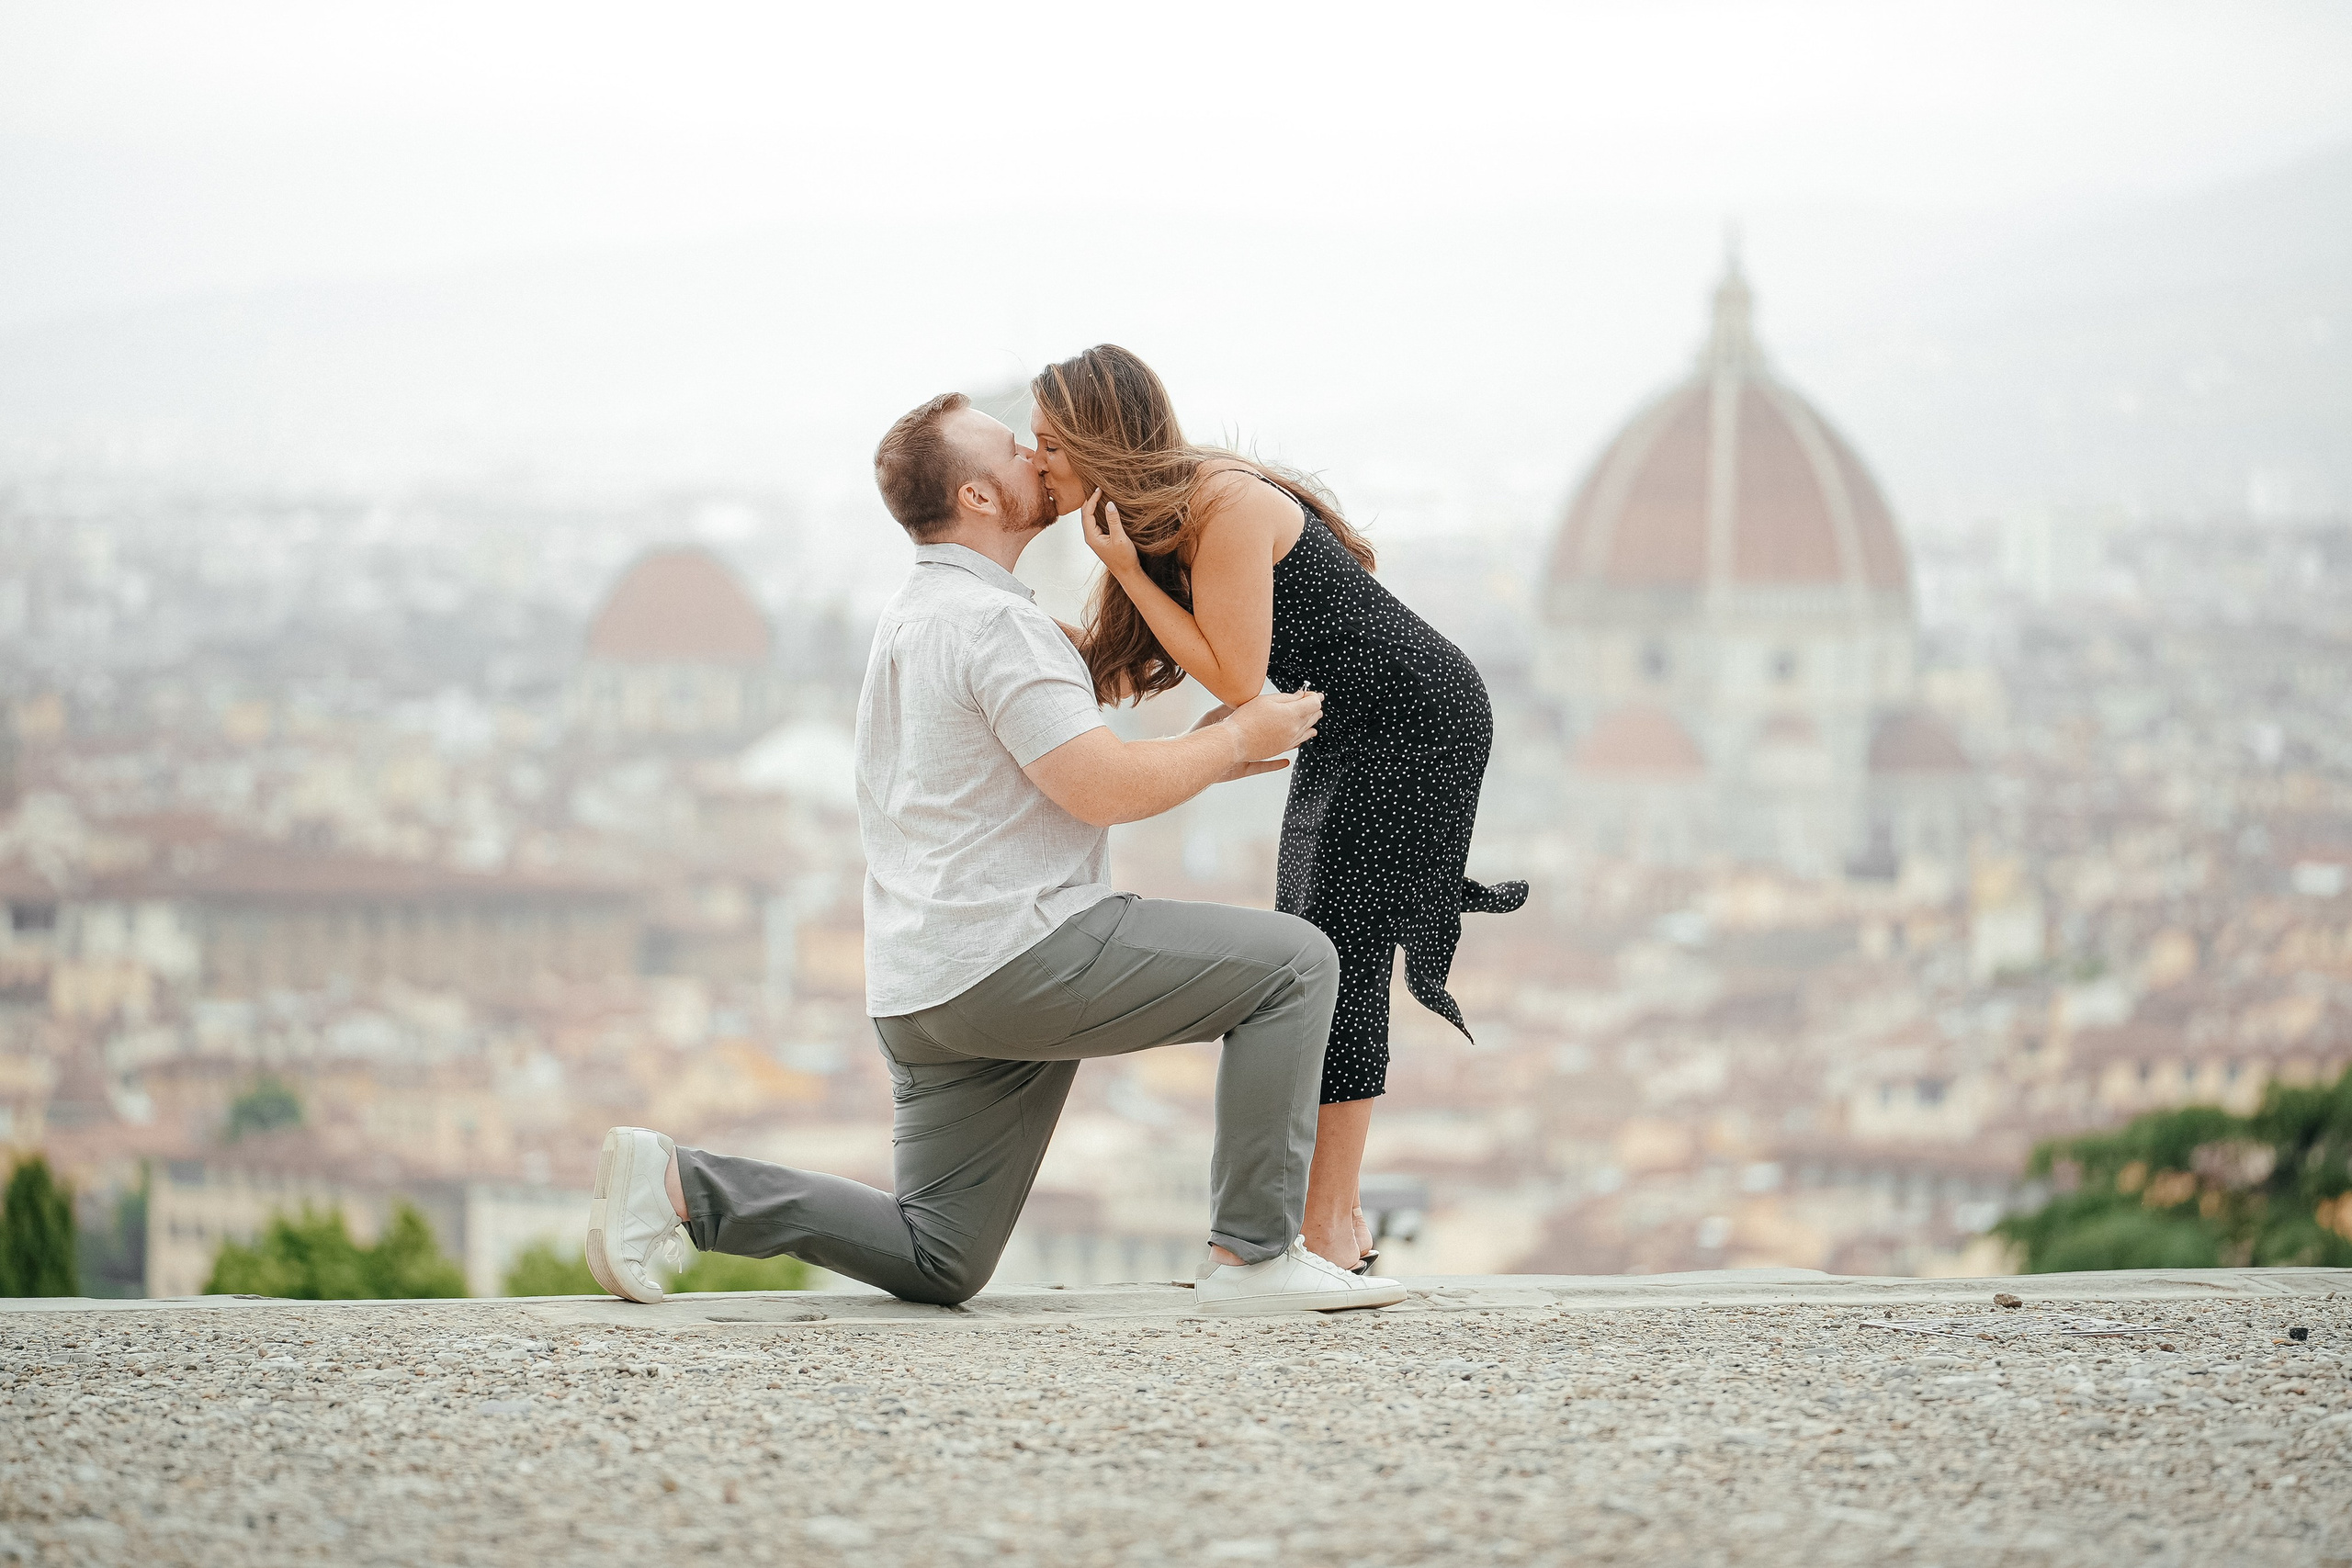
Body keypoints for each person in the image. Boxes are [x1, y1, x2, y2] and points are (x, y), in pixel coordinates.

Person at [585, 391, 1406, 1315]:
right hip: (1018, 957)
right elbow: (1097, 788)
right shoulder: (996, 625)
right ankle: (1252, 1256)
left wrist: (1214, 757)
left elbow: (1035, 779)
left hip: (924, 988)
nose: (1038, 454)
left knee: (940, 1256)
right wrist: (1231, 737)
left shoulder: (919, 613)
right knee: (1295, 965)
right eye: (1015, 448)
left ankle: (679, 1185)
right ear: (978, 498)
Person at [1029, 345, 1527, 1273]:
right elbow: (1128, 668)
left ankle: (1332, 1229)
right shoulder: (1161, 520)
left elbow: (1233, 677)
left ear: (1098, 443)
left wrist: (1128, 572)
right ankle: (1312, 1226)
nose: (1039, 463)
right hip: (1343, 725)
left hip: (1417, 719)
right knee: (1311, 949)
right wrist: (995, 619)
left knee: (1343, 951)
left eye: (1051, 445)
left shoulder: (1219, 506)